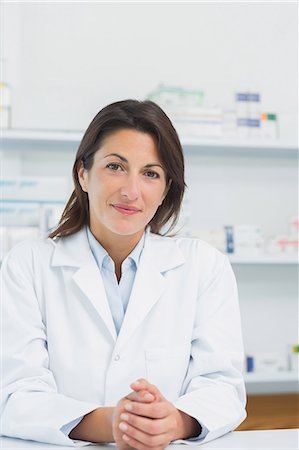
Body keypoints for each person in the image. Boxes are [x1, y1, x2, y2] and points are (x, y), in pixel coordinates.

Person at [1, 99, 246, 449]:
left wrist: (174, 421)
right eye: (116, 166)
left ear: (165, 190)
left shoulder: (204, 266)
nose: (132, 191)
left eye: (150, 173)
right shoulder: (27, 264)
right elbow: (15, 394)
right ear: (83, 173)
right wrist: (115, 423)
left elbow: (223, 388)